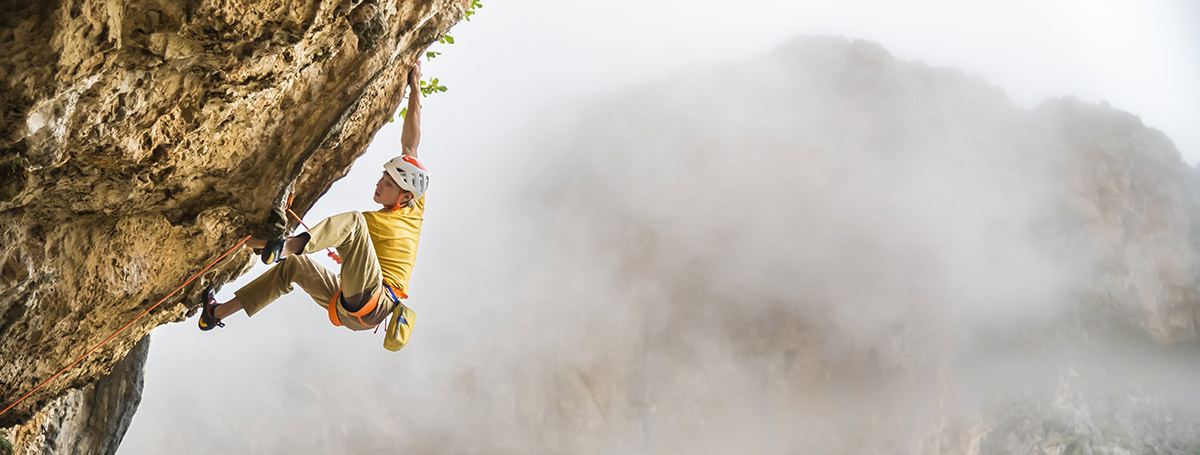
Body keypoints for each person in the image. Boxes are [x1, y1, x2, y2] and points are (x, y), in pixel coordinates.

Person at [197, 62, 427, 350]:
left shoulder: (377, 222)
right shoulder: (415, 205)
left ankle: (283, 247)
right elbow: (410, 146)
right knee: (293, 267)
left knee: (351, 224)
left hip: (375, 299)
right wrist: (415, 87)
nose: (380, 184)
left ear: (405, 196)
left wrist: (284, 244)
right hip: (355, 311)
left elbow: (348, 231)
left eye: (389, 184)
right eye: (383, 177)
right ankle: (214, 314)